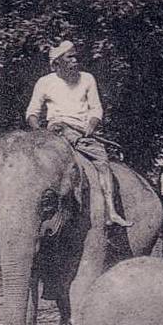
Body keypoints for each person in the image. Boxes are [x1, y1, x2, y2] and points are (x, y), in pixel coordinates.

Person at [26, 40, 131, 226]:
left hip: (81, 133)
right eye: (70, 57)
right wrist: (38, 132)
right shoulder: (45, 82)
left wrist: (91, 125)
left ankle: (111, 211)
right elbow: (32, 112)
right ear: (57, 62)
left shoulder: (87, 79)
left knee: (102, 160)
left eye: (75, 56)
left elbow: (96, 109)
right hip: (55, 131)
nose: (75, 60)